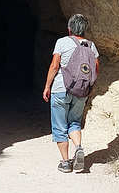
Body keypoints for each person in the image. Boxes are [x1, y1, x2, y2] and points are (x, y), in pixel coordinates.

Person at [42, 13, 100, 173]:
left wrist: (47, 86)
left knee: (59, 126)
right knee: (74, 122)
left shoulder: (62, 42)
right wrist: (89, 89)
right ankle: (78, 147)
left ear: (69, 29)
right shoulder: (91, 46)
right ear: (85, 30)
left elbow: (54, 66)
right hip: (81, 91)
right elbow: (95, 70)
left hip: (61, 89)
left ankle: (66, 162)